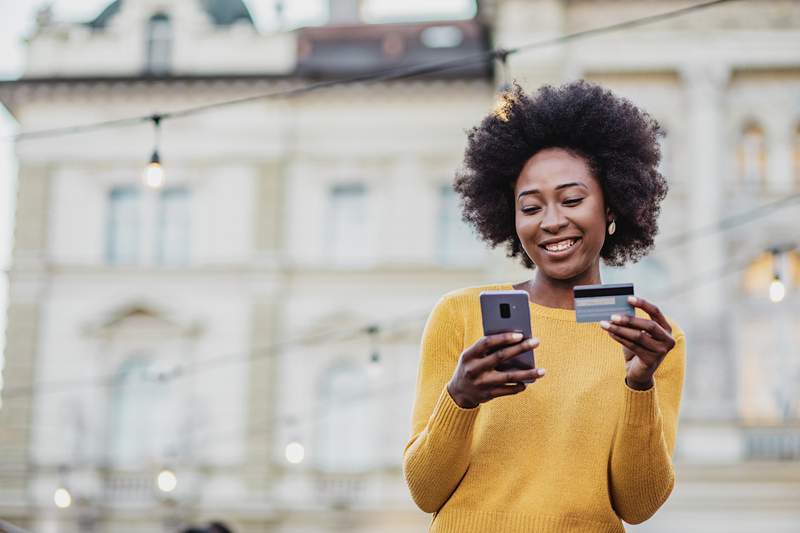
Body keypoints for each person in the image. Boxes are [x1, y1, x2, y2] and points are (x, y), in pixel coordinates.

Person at [403, 80, 685, 532]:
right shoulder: (460, 314)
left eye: (573, 200)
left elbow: (637, 503)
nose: (553, 222)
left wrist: (639, 384)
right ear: (510, 218)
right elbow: (425, 491)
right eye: (530, 207)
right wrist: (460, 398)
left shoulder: (649, 340)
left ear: (611, 208)